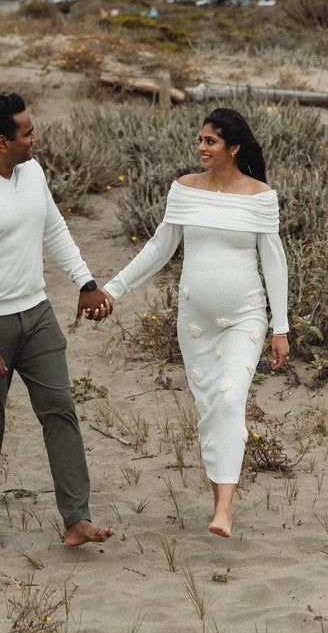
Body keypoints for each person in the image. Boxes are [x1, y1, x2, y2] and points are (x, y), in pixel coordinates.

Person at [98, 107, 290, 538]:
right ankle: (219, 500)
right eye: (201, 140)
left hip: (245, 316)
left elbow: (274, 262)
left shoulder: (261, 196)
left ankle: (224, 509)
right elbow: (160, 247)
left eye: (210, 141)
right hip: (195, 321)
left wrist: (282, 327)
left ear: (233, 148)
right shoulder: (185, 189)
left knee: (229, 398)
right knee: (210, 407)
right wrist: (113, 289)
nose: (201, 148)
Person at [0, 92, 114, 550]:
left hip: (37, 316)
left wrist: (86, 282)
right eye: (28, 133)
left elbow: (54, 228)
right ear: (1, 141)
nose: (36, 139)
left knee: (60, 411)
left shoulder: (31, 172)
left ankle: (77, 519)